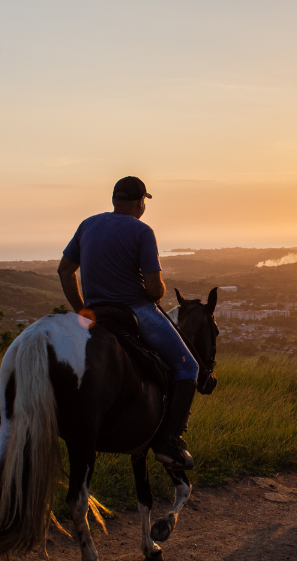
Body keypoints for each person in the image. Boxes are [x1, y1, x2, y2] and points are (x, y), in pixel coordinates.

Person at [57, 176, 199, 469]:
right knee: (188, 366)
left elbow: (64, 270)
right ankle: (168, 441)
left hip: (98, 314)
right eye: (144, 201)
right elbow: (153, 291)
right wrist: (157, 286)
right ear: (140, 203)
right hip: (136, 312)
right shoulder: (142, 231)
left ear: (113, 199)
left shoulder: (87, 225)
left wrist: (83, 310)